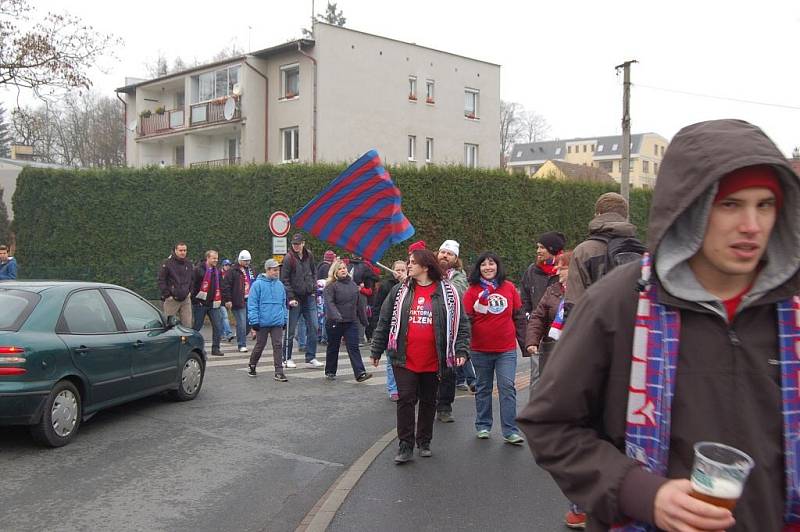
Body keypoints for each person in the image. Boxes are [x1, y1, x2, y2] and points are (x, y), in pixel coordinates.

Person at [518, 119, 800, 532]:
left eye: (765, 204)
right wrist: (642, 493)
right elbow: (550, 423)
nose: (752, 226)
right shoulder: (619, 303)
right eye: (730, 204)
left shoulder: (791, 312)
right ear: (691, 208)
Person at [371, 249, 471, 464]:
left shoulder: (448, 293)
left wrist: (461, 350)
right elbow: (385, 319)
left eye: (413, 262)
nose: (409, 265)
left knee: (428, 400)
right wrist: (377, 349)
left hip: (434, 358)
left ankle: (424, 441)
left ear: (425, 266)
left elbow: (462, 323)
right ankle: (405, 444)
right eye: (408, 262)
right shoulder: (400, 291)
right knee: (405, 399)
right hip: (403, 357)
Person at [463, 251, 526, 445]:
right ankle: (483, 425)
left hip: (506, 349)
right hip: (480, 349)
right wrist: (462, 348)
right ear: (478, 268)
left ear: (498, 266)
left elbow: (518, 316)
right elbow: (466, 321)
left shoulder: (508, 288)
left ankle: (510, 430)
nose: (488, 267)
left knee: (507, 387)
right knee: (483, 388)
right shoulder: (472, 290)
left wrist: (525, 343)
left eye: (491, 264)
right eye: (483, 264)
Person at [566, 192, 639, 308]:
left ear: (598, 214)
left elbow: (574, 303)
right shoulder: (639, 250)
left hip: (595, 323)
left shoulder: (584, 251)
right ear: (625, 217)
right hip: (633, 323)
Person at [520, 231, 565, 390]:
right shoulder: (532, 270)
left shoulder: (565, 270)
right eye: (537, 247)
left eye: (542, 247)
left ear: (553, 249)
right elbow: (524, 295)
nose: (538, 251)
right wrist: (528, 315)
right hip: (539, 334)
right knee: (537, 377)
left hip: (560, 334)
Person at [435, 239, 468, 423]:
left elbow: (457, 295)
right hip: (429, 328)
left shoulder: (459, 277)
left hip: (450, 331)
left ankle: (445, 407)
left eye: (449, 254)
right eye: (442, 252)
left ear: (455, 259)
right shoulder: (427, 272)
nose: (445, 256)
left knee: (448, 371)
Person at [323, 259, 372, 382]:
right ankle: (330, 371)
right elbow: (330, 303)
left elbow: (359, 305)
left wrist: (364, 320)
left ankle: (360, 372)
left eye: (344, 268)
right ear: (335, 272)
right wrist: (336, 316)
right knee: (333, 347)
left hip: (350, 321)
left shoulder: (353, 285)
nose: (343, 270)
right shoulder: (330, 286)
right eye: (340, 268)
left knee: (353, 347)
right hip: (335, 322)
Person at [280, 233, 322, 368]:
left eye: (298, 244)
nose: (296, 246)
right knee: (291, 329)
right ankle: (286, 357)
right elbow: (285, 279)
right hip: (295, 298)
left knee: (314, 327)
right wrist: (291, 297)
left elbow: (314, 271)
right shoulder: (288, 258)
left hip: (309, 296)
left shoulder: (309, 255)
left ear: (303, 243)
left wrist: (314, 288)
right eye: (294, 244)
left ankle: (311, 356)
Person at [525, 250, 572, 367]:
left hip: (576, 349)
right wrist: (532, 341)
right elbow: (538, 317)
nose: (557, 272)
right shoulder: (552, 290)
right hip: (553, 348)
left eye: (562, 269)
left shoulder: (585, 291)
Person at [247, 259, 289, 381]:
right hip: (262, 322)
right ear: (267, 270)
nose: (277, 272)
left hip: (277, 321)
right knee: (260, 345)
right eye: (274, 270)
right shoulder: (257, 285)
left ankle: (279, 371)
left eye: (278, 270)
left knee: (278, 345)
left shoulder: (280, 285)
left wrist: (284, 319)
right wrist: (254, 321)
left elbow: (283, 304)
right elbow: (252, 304)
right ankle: (252, 364)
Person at [373, 259, 409, 401]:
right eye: (397, 270)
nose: (399, 272)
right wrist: (377, 328)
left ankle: (405, 387)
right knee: (390, 360)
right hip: (390, 329)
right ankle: (393, 388)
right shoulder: (386, 286)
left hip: (405, 329)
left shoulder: (411, 285)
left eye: (402, 270)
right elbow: (378, 307)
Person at [191, 249, 225, 357]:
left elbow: (220, 286)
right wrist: (195, 300)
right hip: (200, 304)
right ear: (208, 258)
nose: (216, 260)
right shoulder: (198, 270)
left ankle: (216, 348)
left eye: (217, 258)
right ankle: (192, 348)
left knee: (218, 326)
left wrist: (221, 301)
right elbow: (193, 286)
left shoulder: (217, 271)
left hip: (213, 304)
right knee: (197, 326)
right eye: (214, 258)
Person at [223, 250, 255, 353]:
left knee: (249, 322)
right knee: (241, 322)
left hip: (250, 300)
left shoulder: (251, 270)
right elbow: (226, 286)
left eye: (248, 261)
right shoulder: (232, 271)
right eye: (245, 261)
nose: (247, 263)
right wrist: (228, 299)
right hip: (238, 300)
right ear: (240, 260)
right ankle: (242, 344)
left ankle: (240, 335)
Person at [157, 242, 193, 327]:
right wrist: (167, 295)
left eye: (184, 250)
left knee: (187, 326)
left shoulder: (189, 263)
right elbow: (161, 280)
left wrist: (190, 292)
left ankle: (187, 341)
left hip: (186, 299)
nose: (183, 252)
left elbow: (192, 279)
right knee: (169, 326)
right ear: (175, 251)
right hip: (171, 300)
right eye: (180, 250)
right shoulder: (167, 263)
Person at [316, 250, 337, 344]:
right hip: (325, 295)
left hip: (318, 295)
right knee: (326, 316)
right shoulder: (328, 268)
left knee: (319, 316)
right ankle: (324, 337)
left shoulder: (319, 266)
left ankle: (318, 336)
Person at [219, 259, 235, 342]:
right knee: (224, 316)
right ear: (223, 266)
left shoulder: (231, 274)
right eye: (226, 265)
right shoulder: (219, 274)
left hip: (227, 299)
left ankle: (221, 334)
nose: (227, 267)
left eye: (229, 265)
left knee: (222, 317)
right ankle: (228, 333)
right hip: (220, 299)